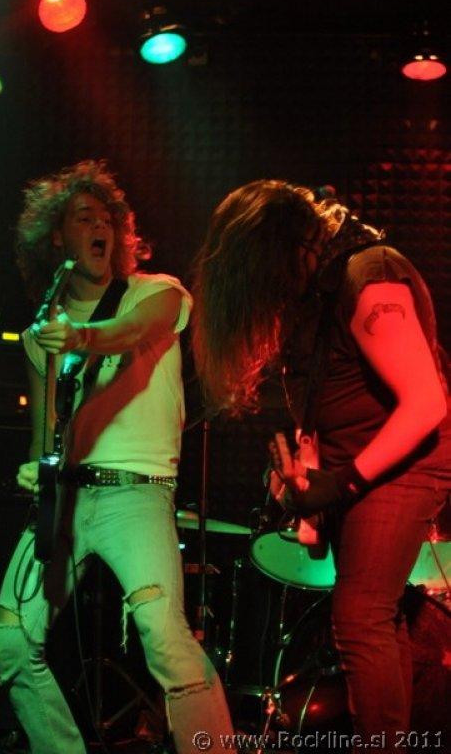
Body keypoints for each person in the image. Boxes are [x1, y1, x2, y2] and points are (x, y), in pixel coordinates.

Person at [192, 180, 451, 751]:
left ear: (280, 250)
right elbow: (332, 404)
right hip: (363, 471)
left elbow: (426, 403)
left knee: (360, 615)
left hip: (407, 463)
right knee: (377, 619)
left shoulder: (370, 275)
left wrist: (340, 482)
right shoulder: (317, 294)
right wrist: (305, 484)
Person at [0, 160, 233, 754]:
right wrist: (34, 468)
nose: (101, 227)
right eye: (84, 218)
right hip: (68, 498)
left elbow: (127, 333)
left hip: (137, 493)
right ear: (56, 238)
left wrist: (81, 337)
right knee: (10, 640)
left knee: (164, 638)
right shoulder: (40, 334)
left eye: (108, 219)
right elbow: (46, 437)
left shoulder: (158, 292)